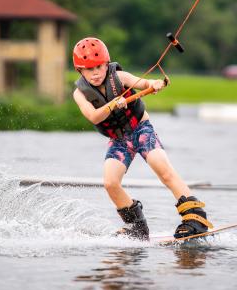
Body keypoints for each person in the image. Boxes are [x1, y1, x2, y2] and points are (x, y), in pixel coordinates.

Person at [71, 37, 211, 241]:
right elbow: (93, 116)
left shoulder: (119, 76)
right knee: (110, 182)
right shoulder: (79, 94)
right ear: (80, 71)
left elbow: (143, 83)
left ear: (106, 63)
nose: (95, 73)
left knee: (162, 168)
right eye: (89, 69)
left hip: (141, 130)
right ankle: (137, 227)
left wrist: (154, 84)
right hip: (119, 141)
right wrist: (112, 104)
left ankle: (195, 217)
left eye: (99, 67)